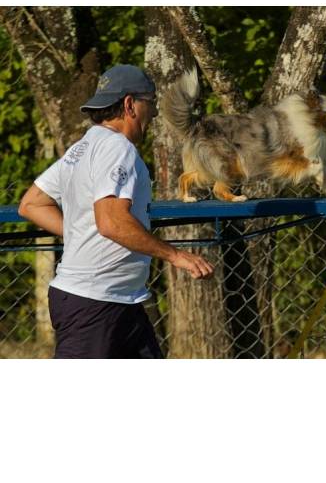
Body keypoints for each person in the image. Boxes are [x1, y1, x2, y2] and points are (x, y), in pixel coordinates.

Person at [18, 64, 214, 358]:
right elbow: (111, 221)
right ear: (129, 104)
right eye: (151, 103)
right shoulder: (117, 148)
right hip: (94, 305)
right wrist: (177, 255)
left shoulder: (81, 148)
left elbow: (32, 203)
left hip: (119, 301)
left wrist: (78, 231)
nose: (156, 113)